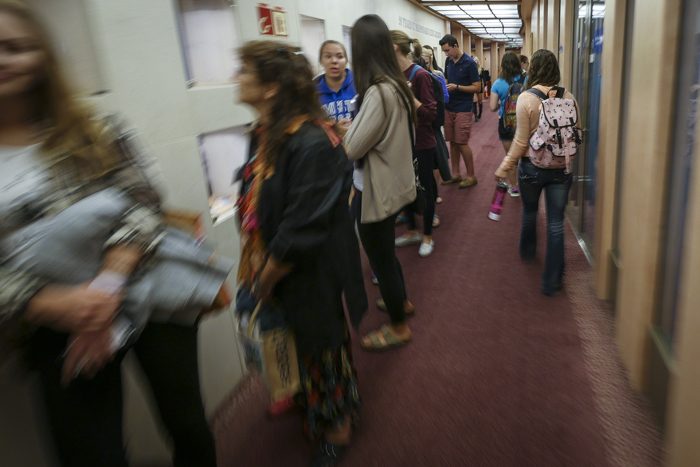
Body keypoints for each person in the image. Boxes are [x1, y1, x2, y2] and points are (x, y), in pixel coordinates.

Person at [0, 2, 217, 466]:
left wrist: (106, 286)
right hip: (51, 321)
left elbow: (143, 204)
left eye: (13, 47)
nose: (3, 60)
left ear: (41, 56)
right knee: (89, 452)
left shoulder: (95, 128)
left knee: (186, 423)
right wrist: (53, 305)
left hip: (145, 284)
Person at [235, 40, 367, 467]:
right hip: (278, 264)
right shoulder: (266, 132)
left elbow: (302, 224)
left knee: (322, 343)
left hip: (309, 268)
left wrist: (268, 277)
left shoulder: (311, 140)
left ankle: (338, 426)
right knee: (296, 342)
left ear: (271, 86)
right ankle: (309, 401)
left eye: (244, 71)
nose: (235, 78)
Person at [343, 14, 416, 351]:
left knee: (381, 258)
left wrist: (349, 130)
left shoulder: (377, 92)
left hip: (375, 189)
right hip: (392, 183)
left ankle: (398, 327)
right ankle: (400, 303)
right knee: (386, 253)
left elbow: (353, 147)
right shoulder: (397, 84)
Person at [495, 49, 579, 296]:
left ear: (532, 69)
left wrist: (504, 166)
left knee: (530, 211)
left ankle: (528, 250)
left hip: (532, 167)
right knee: (556, 223)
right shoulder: (569, 96)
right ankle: (552, 281)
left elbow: (520, 142)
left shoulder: (526, 98)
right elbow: (576, 131)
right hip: (561, 169)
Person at [390, 30, 438, 257]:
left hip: (422, 142)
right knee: (404, 188)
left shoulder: (420, 75)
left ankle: (427, 235)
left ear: (394, 48)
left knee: (425, 188)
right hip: (400, 143)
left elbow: (430, 113)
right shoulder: (392, 74)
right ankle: (411, 231)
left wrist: (410, 97)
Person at [439, 34, 481, 188]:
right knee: (453, 143)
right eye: (444, 51)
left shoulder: (469, 63)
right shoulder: (448, 61)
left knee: (462, 142)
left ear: (455, 46)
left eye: (448, 50)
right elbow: (447, 81)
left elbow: (477, 87)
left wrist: (457, 87)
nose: (446, 53)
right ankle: (455, 174)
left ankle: (471, 176)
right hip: (449, 107)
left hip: (463, 108)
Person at [490, 51, 524, 196]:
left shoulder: (498, 83)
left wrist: (502, 104)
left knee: (511, 156)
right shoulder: (526, 79)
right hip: (524, 121)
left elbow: (492, 107)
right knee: (527, 156)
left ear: (502, 65)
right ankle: (528, 185)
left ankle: (514, 187)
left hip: (507, 123)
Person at [316, 40, 356, 122]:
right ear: (321, 61)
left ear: (346, 61)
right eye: (328, 56)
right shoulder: (314, 90)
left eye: (340, 56)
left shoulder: (358, 83)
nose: (334, 61)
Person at [472, 56, 484, 122]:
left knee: (480, 101)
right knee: (474, 101)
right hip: (473, 86)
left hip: (480, 85)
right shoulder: (471, 69)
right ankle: (475, 116)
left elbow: (483, 79)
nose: (475, 64)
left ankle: (480, 114)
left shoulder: (481, 69)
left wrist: (483, 87)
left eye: (476, 62)